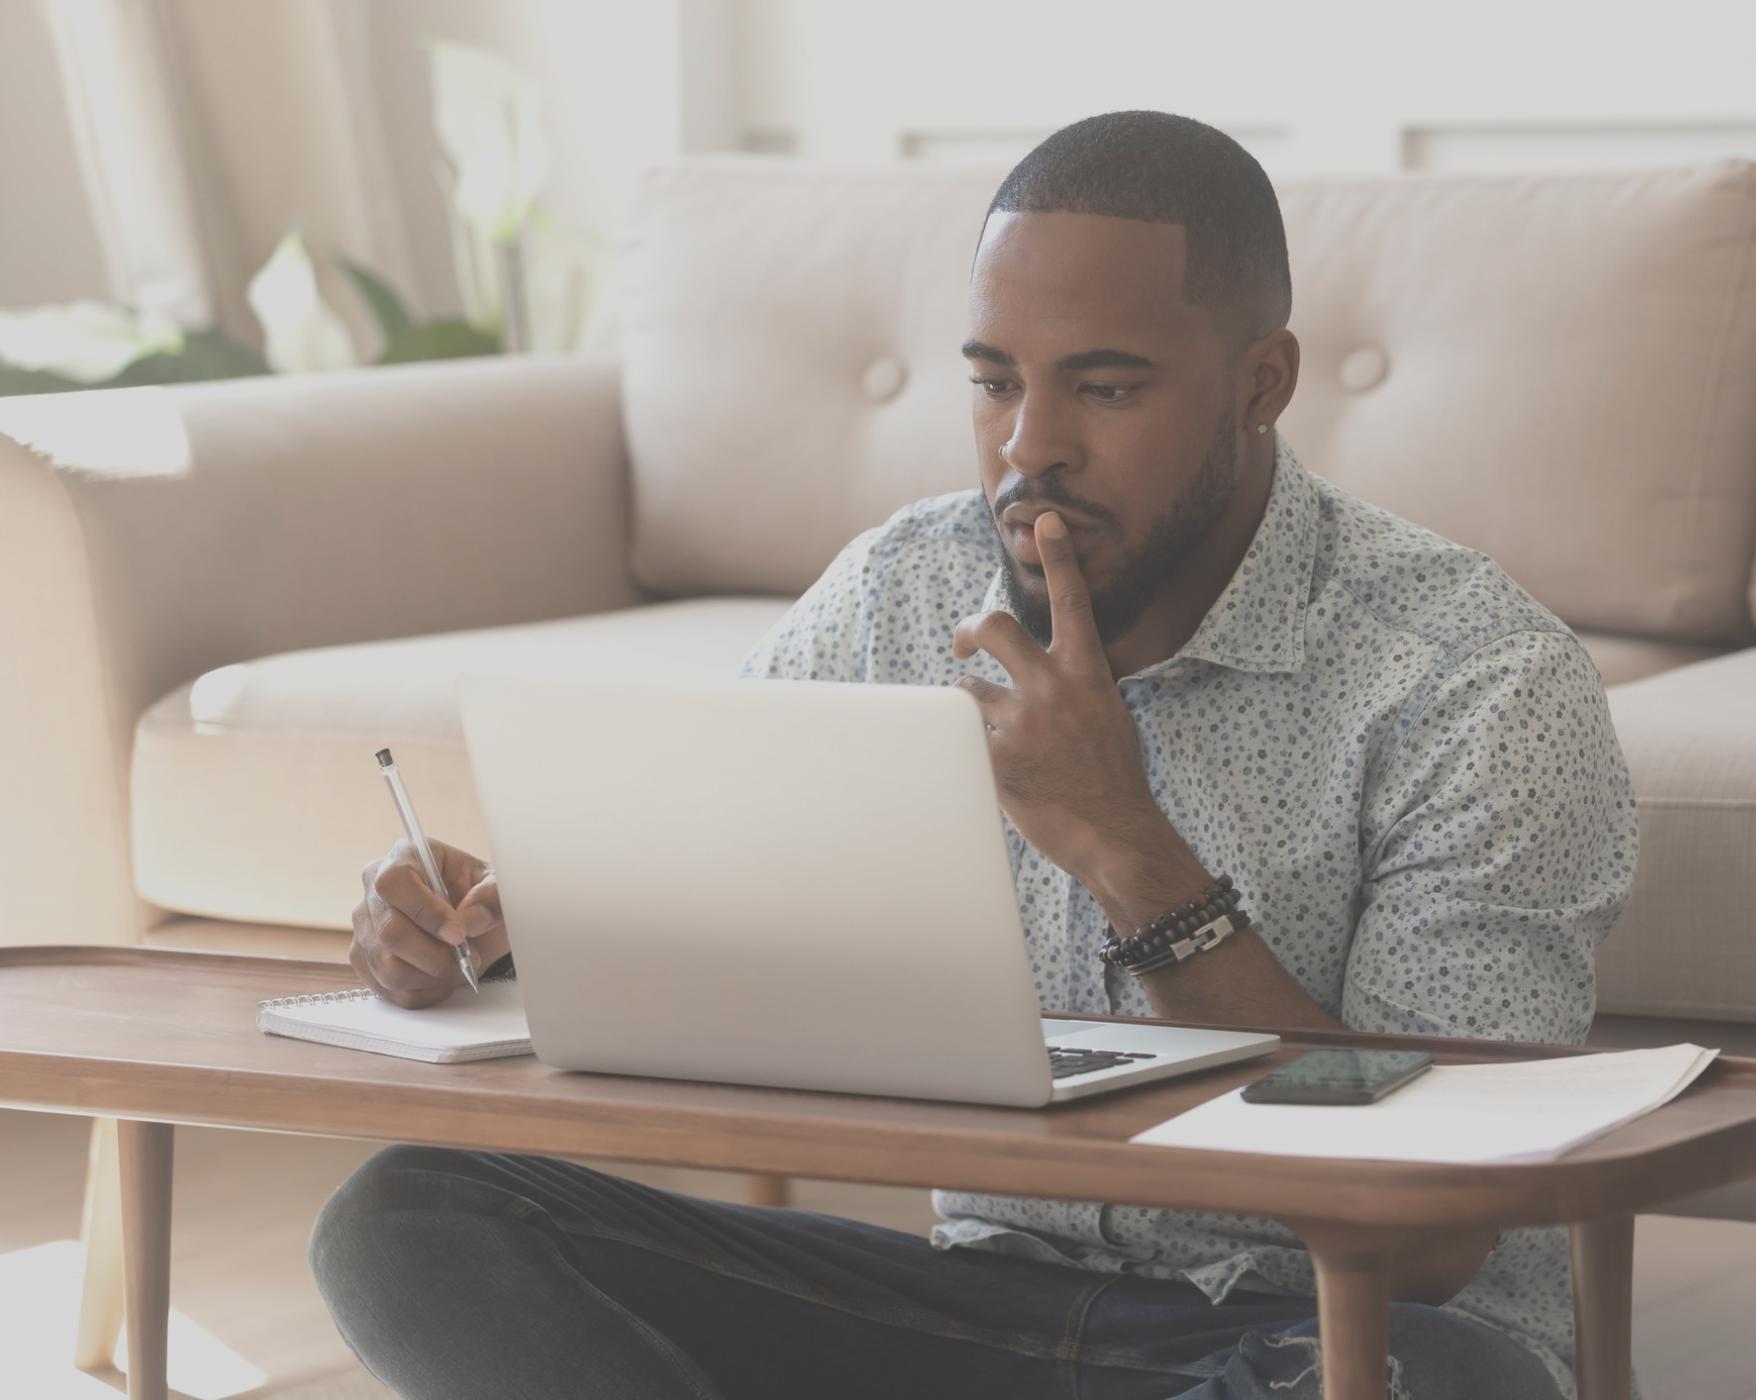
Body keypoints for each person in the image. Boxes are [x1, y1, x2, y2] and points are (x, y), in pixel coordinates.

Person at [310, 110, 1639, 1400]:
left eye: (1105, 387)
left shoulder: (1474, 682)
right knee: (411, 1219)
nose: (1028, 449)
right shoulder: (901, 593)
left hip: (1327, 1325)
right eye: (996, 381)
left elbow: (1430, 1233)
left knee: (1433, 1382)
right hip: (972, 1304)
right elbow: (698, 896)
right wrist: (491, 933)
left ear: (1261, 384)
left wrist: (1131, 853)